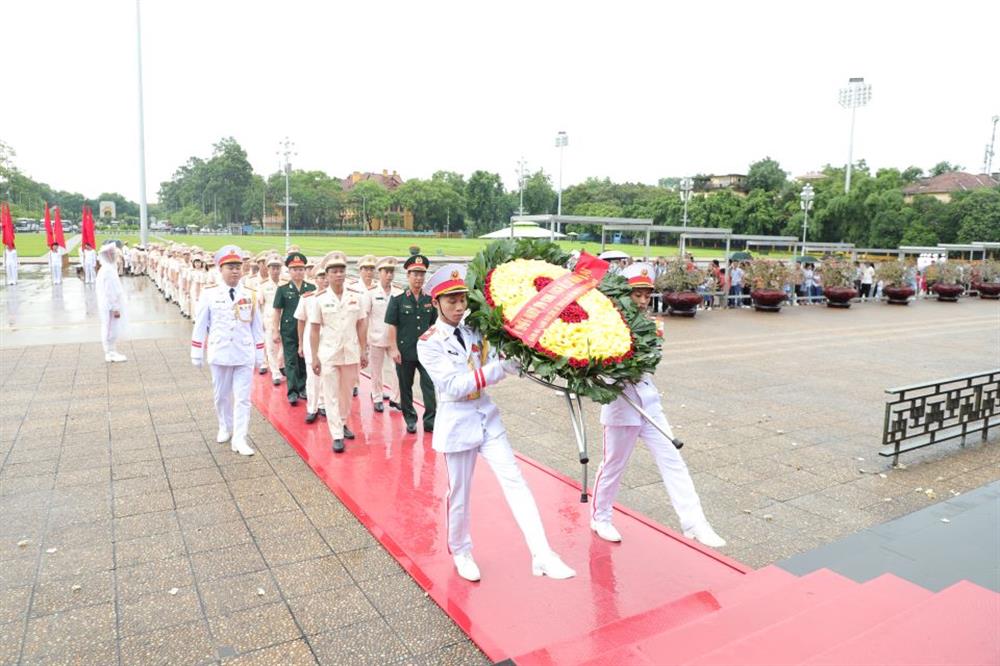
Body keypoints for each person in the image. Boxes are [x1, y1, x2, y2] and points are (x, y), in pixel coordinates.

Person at [417, 263, 576, 583]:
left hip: (486, 417)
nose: (459, 306)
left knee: (516, 481)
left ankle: (542, 554)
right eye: (451, 301)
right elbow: (454, 386)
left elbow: (493, 362)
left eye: (462, 299)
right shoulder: (429, 342)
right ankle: (461, 551)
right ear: (435, 303)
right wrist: (500, 368)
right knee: (459, 493)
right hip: (457, 422)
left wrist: (520, 357)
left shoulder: (475, 328)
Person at [591, 262, 726, 548]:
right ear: (623, 294)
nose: (642, 300)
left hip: (649, 405)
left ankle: (694, 523)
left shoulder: (651, 325)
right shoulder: (605, 326)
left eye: (646, 295)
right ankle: (600, 517)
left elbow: (651, 364)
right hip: (621, 407)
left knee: (673, 460)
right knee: (613, 465)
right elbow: (595, 369)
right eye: (636, 294)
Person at [190, 245, 265, 457]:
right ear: (220, 269)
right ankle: (224, 425)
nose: (235, 271)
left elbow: (256, 327)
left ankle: (240, 438)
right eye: (230, 267)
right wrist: (196, 351)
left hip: (243, 353)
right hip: (220, 352)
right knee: (221, 396)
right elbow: (200, 324)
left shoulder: (250, 294)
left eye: (238, 267)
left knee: (242, 399)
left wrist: (260, 353)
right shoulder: (209, 294)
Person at [309, 251, 368, 453]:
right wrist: (314, 356)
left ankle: (342, 423)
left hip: (351, 352)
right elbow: (315, 329)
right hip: (329, 353)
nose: (339, 275)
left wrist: (364, 350)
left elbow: (361, 324)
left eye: (342, 271)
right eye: (334, 271)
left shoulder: (356, 297)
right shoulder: (319, 299)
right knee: (331, 394)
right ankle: (336, 434)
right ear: (327, 275)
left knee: (346, 394)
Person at [385, 254, 436, 434]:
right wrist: (393, 348)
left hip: (426, 353)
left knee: (429, 386)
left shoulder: (431, 300)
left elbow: (434, 326)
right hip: (404, 351)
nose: (418, 278)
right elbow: (392, 325)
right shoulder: (398, 299)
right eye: (415, 274)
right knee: (405, 387)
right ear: (408, 275)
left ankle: (430, 421)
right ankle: (410, 419)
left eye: (422, 274)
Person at [273, 252, 315, 406]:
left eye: (301, 269)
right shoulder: (283, 289)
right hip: (289, 329)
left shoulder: (311, 288)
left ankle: (303, 387)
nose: (298, 272)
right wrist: (275, 331)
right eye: (294, 269)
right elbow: (277, 311)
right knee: (290, 360)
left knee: (303, 359)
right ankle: (292, 391)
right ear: (289, 271)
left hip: (306, 331)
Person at [367, 257, 403, 412]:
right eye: (386, 272)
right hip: (376, 336)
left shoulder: (399, 292)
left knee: (398, 370)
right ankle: (377, 396)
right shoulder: (371, 293)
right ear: (379, 273)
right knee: (376, 370)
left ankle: (396, 398)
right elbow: (365, 316)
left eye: (391, 272)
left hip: (394, 339)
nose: (389, 275)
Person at [296, 259, 328, 424]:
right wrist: (300, 343)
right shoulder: (308, 298)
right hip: (312, 342)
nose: (324, 280)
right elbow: (301, 321)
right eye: (321, 277)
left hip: (329, 342)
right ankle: (312, 408)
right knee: (312, 377)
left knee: (327, 376)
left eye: (326, 276)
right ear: (315, 279)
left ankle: (323, 404)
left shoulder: (336, 297)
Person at [96, 243, 128, 363]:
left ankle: (112, 350)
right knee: (110, 328)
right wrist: (115, 307)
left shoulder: (108, 268)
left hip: (110, 304)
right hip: (109, 306)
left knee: (111, 328)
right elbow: (110, 291)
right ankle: (109, 352)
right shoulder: (107, 270)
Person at [258, 254, 285, 384]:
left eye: (277, 268)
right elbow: (260, 304)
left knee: (284, 346)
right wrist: (261, 321)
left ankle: (280, 365)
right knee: (271, 346)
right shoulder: (263, 286)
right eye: (273, 268)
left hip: (284, 318)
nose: (275, 270)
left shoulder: (285, 283)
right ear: (268, 269)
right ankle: (275, 372)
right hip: (269, 317)